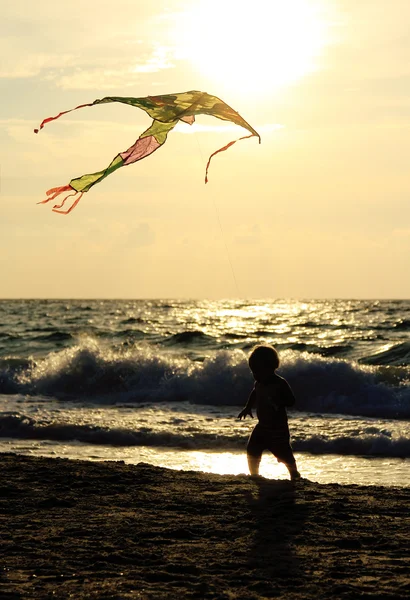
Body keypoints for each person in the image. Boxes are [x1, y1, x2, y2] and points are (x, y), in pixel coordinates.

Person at [238, 344, 301, 481]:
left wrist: (278, 401)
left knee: (284, 453)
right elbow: (255, 393)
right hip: (262, 425)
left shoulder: (280, 383)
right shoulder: (259, 383)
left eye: (258, 372)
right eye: (253, 372)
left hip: (277, 427)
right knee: (252, 448)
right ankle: (254, 474)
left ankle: (294, 474)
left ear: (270, 368)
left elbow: (291, 401)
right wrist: (248, 407)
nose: (255, 376)